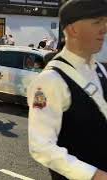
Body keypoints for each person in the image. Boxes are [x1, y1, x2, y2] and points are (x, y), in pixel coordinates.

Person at [28, 1, 107, 180]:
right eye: (97, 22)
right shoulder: (50, 81)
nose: (104, 29)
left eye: (105, 22)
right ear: (73, 29)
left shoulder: (100, 70)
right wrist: (94, 176)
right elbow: (41, 147)